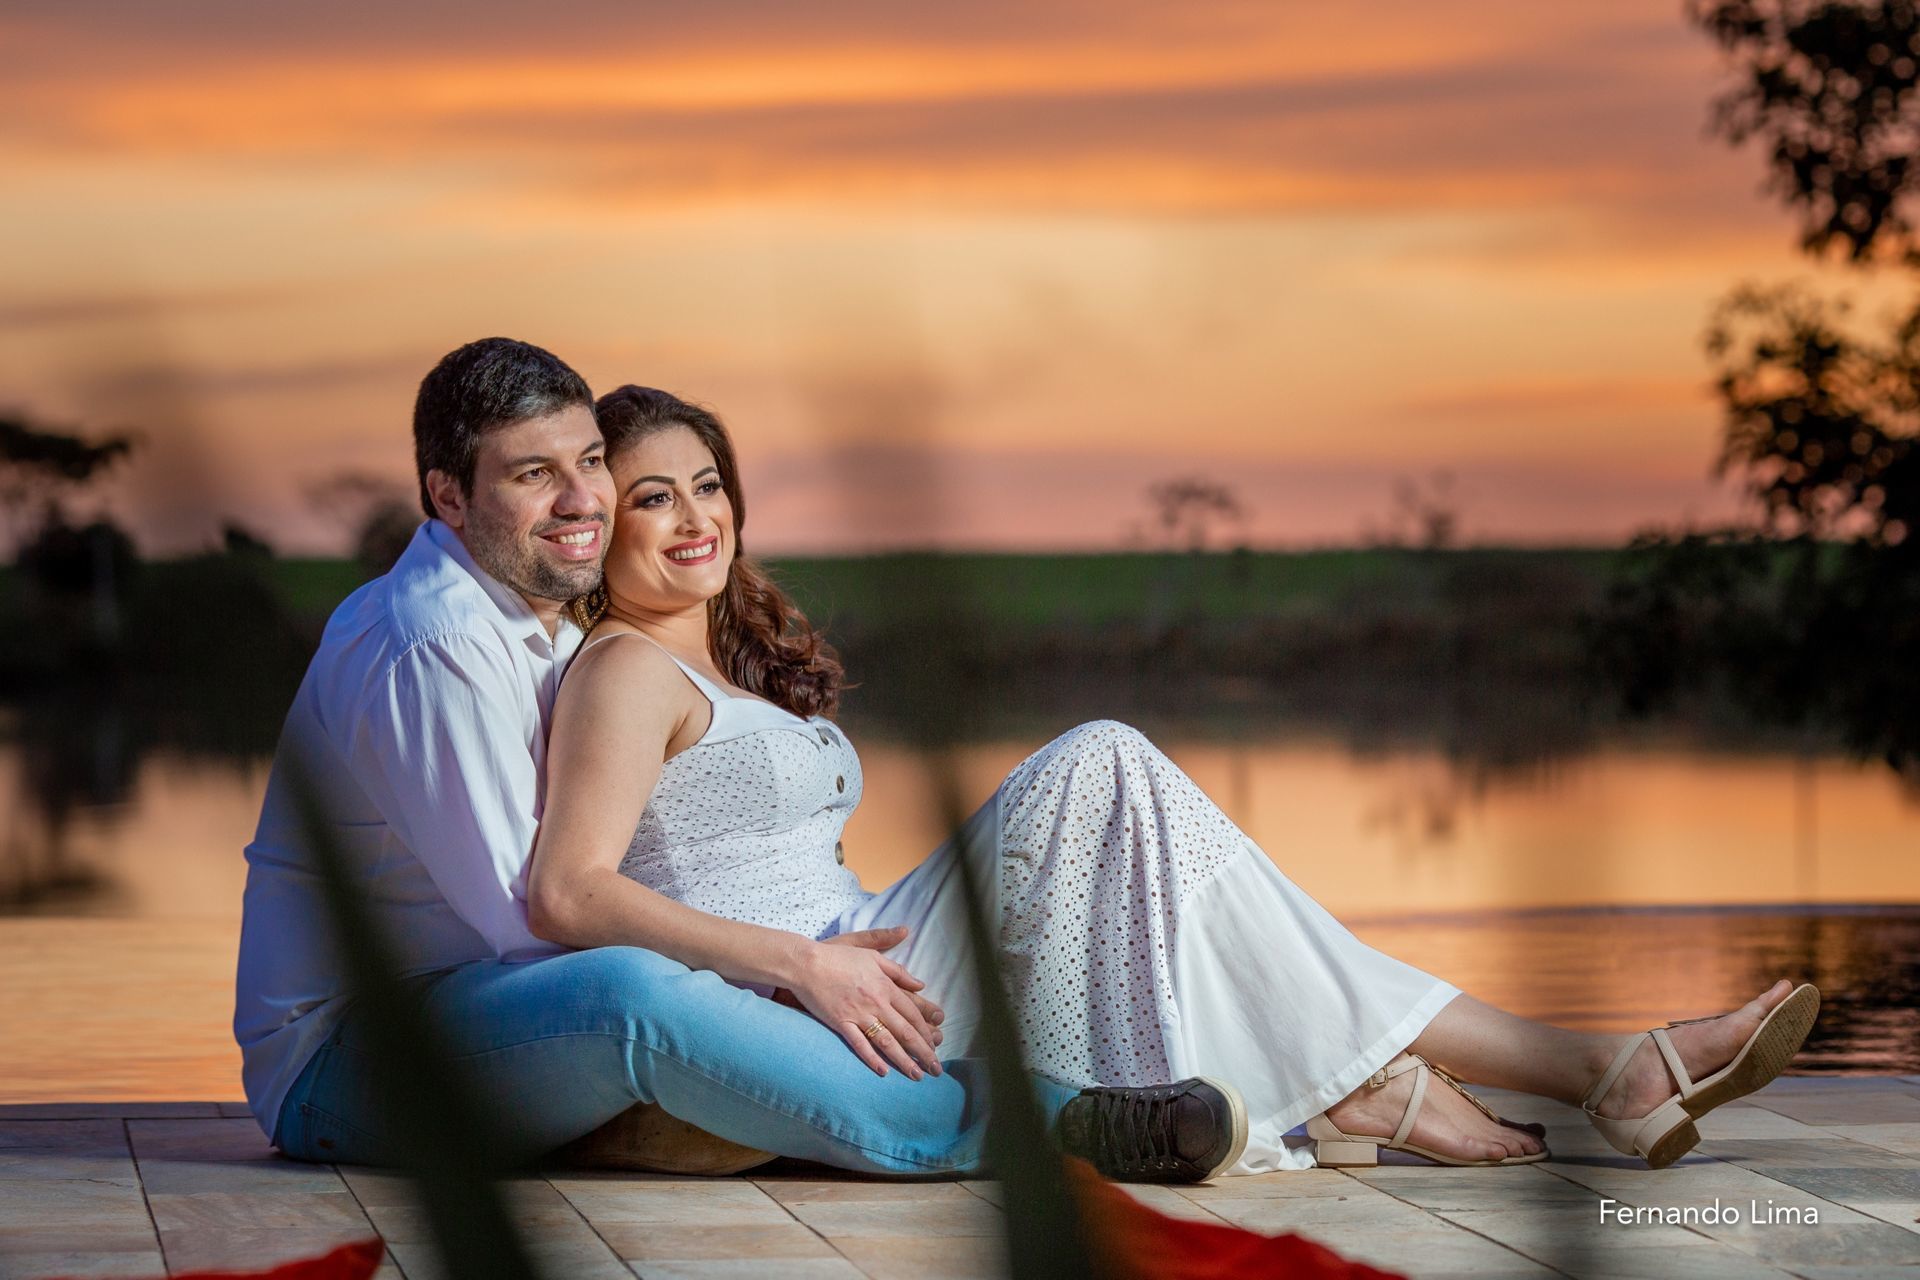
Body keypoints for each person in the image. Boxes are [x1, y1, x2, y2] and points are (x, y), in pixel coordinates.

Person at [524, 383, 1823, 1175]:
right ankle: (1532, 1075)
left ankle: (1505, 1077)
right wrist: (802, 964)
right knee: (1108, 763)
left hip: (871, 963)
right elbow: (570, 892)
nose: (697, 517)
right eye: (652, 498)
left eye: (708, 484)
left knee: (1172, 855)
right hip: (810, 998)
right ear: (600, 526)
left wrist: (837, 952)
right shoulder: (626, 671)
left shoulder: (723, 672)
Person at [233, 337, 1247, 1183]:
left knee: (666, 994)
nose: (580, 496)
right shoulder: (435, 642)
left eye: (589, 461)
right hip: (357, 1058)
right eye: (532, 474)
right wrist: (788, 967)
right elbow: (539, 924)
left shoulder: (536, 618)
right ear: (447, 497)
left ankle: (717, 1116)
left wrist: (766, 981)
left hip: (483, 1021)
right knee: (626, 994)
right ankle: (1048, 1125)